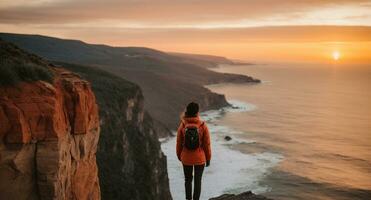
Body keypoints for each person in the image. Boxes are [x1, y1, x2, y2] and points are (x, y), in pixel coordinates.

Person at [176, 102, 211, 200]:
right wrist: (208, 158)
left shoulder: (183, 125)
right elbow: (206, 144)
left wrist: (179, 155)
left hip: (186, 158)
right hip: (200, 158)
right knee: (197, 181)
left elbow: (179, 142)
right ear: (197, 112)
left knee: (188, 180)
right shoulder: (203, 125)